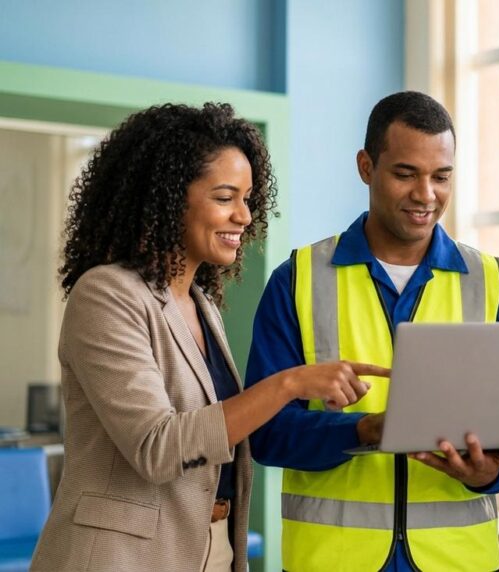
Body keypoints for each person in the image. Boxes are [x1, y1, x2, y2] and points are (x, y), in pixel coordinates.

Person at [30, 103, 384, 572]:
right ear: (167, 197)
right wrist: (290, 384)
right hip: (122, 557)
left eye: (248, 198)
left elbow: (223, 433)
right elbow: (157, 448)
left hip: (210, 546)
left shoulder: (202, 304)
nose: (244, 216)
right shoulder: (105, 294)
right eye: (225, 197)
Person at [245, 91, 499, 572]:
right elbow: (265, 433)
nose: (426, 194)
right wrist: (362, 430)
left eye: (441, 176)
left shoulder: (492, 283)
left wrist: (490, 472)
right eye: (406, 174)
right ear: (366, 167)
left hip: (457, 563)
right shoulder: (296, 280)